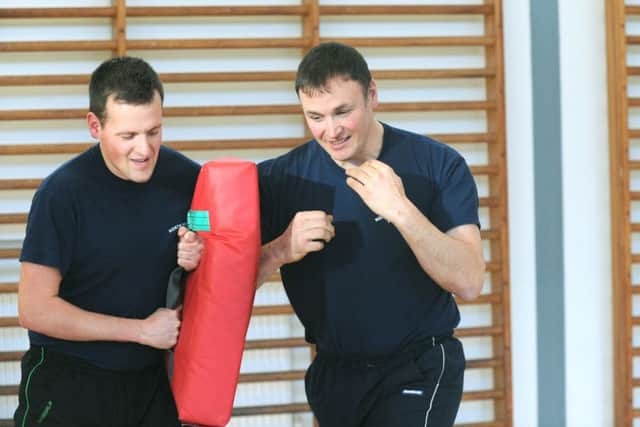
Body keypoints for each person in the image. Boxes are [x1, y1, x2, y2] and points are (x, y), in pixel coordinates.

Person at [257, 42, 485, 427]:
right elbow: (227, 287)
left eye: (343, 112)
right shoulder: (279, 180)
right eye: (316, 116)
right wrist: (279, 251)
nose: (332, 131)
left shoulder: (438, 165)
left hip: (419, 366)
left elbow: (469, 281)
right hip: (335, 374)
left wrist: (401, 210)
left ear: (372, 95)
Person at [14, 56, 203, 427]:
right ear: (95, 126)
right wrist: (140, 331)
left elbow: (222, 255)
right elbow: (34, 309)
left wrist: (200, 254)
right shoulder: (61, 195)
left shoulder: (187, 178)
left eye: (154, 131)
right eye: (128, 136)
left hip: (150, 385)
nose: (144, 150)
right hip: (71, 382)